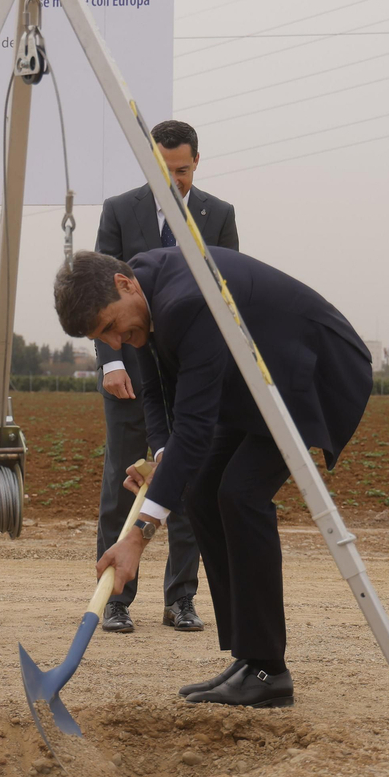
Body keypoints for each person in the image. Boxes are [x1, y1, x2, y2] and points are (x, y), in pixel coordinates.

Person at [54, 247, 372, 707]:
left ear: (123, 285)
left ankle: (269, 671)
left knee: (241, 495)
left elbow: (197, 427)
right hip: (255, 379)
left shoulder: (187, 301)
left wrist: (138, 536)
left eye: (110, 326)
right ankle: (251, 659)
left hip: (311, 372)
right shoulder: (142, 292)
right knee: (202, 491)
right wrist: (162, 455)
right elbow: (157, 395)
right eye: (102, 338)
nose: (116, 340)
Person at [92, 120, 237, 635]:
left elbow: (227, 292)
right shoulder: (118, 210)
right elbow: (97, 293)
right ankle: (115, 597)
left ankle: (181, 599)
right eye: (162, 169)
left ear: (196, 162)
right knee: (124, 481)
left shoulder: (218, 215)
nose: (173, 179)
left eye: (181, 169)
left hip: (192, 375)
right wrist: (110, 363)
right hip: (128, 371)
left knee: (189, 480)